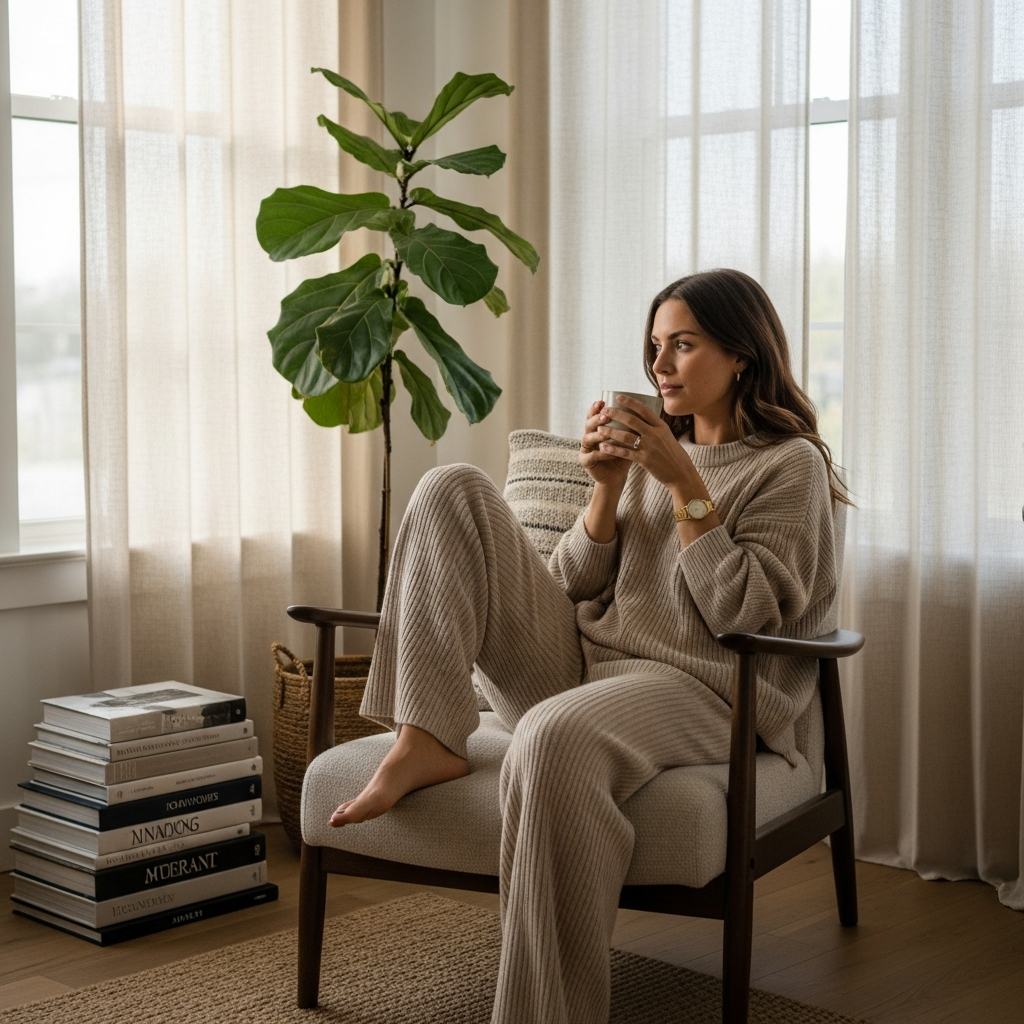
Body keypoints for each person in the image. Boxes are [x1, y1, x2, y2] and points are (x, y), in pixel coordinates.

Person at [329, 268, 847, 1024]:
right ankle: (427, 734)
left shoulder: (788, 465)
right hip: (587, 666)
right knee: (451, 487)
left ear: (742, 354)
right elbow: (572, 586)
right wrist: (604, 489)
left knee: (551, 735)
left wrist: (681, 485)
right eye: (654, 346)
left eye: (683, 345)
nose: (660, 365)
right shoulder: (647, 454)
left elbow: (743, 615)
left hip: (709, 687)